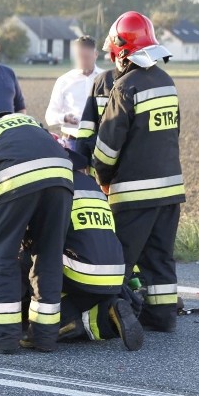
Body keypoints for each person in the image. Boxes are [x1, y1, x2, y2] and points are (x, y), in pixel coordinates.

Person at [92, 11, 183, 333]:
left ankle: (107, 319)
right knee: (160, 258)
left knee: (118, 258)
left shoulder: (125, 86)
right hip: (170, 190)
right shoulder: (165, 82)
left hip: (134, 192)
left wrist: (100, 177)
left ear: (121, 48)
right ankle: (162, 318)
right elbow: (174, 132)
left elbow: (107, 146)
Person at [0, 107, 73, 353]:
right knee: (48, 255)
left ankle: (2, 338)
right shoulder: (26, 121)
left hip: (15, 180)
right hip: (62, 175)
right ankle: (43, 337)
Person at [48, 140, 143, 351]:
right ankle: (106, 312)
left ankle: (62, 318)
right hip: (115, 273)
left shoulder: (53, 184)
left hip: (81, 273)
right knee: (89, 298)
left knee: (34, 257)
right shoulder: (93, 186)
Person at [45, 36, 103, 144]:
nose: (82, 61)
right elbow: (50, 116)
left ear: (95, 55)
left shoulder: (105, 79)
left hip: (100, 141)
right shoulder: (64, 81)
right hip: (72, 141)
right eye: (79, 57)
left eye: (86, 57)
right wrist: (65, 118)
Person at [75, 67, 115, 176]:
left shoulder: (145, 82)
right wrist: (81, 161)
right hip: (98, 170)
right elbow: (86, 126)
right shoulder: (103, 80)